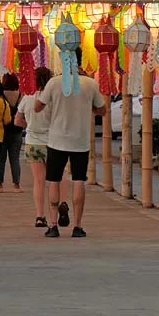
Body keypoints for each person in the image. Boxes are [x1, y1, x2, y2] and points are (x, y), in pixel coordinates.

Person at [35, 48, 106, 238]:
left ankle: (52, 225)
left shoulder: (54, 82)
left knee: (54, 181)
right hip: (80, 141)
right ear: (79, 60)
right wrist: (87, 106)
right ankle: (77, 226)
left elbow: (37, 107)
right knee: (78, 181)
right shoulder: (90, 84)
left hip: (56, 140)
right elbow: (102, 110)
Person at [15, 67, 59, 228]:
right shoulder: (53, 98)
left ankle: (40, 215)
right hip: (53, 143)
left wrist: (30, 126)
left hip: (33, 142)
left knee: (38, 181)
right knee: (55, 180)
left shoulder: (27, 98)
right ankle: (58, 208)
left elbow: (17, 121)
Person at [0, 72, 24, 192]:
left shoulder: (0, 95)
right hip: (17, 131)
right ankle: (16, 185)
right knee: (15, 159)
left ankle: (0, 185)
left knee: (1, 159)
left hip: (2, 130)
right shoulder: (21, 95)